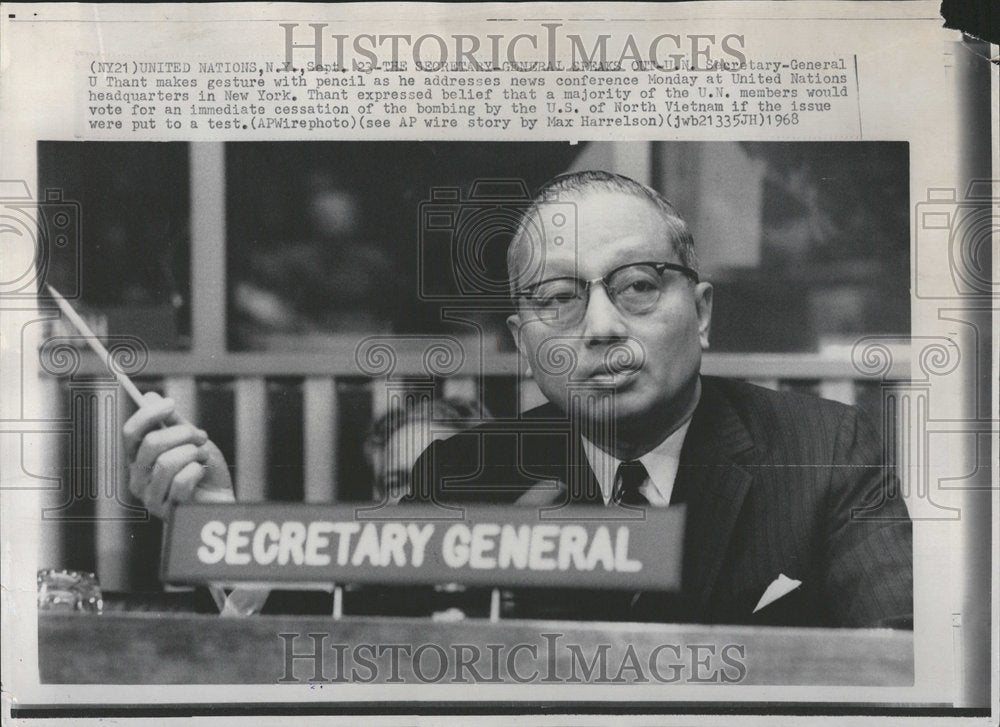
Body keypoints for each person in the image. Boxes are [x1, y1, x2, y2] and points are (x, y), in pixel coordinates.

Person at [404, 170, 913, 628]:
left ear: (702, 313)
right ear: (522, 344)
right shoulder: (462, 475)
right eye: (559, 298)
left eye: (638, 286)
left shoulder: (825, 452)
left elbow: (899, 666)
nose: (601, 329)